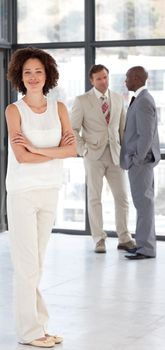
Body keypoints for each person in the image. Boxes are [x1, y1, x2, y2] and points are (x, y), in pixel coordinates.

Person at [5, 47, 77, 347]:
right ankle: (30, 332)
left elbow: (72, 150)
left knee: (38, 263)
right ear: (19, 77)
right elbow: (21, 157)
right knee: (26, 265)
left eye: (38, 72)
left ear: (47, 75)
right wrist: (48, 152)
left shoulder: (58, 108)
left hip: (50, 190)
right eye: (27, 73)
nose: (33, 77)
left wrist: (37, 149)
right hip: (22, 193)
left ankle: (39, 326)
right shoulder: (13, 110)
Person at [71, 64, 135, 253]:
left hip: (115, 155)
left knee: (122, 197)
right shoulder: (81, 100)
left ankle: (124, 238)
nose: (103, 81)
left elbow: (122, 128)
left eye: (105, 77)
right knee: (94, 198)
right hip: (93, 156)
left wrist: (126, 152)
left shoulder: (117, 98)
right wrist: (83, 150)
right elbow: (73, 129)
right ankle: (99, 239)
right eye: (98, 78)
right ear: (92, 80)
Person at [120, 66, 161, 260]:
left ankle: (146, 248)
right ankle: (143, 245)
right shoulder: (140, 98)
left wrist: (137, 158)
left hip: (140, 162)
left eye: (127, 77)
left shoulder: (144, 101)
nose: (125, 81)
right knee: (142, 204)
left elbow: (146, 135)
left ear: (136, 78)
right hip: (139, 161)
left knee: (144, 204)